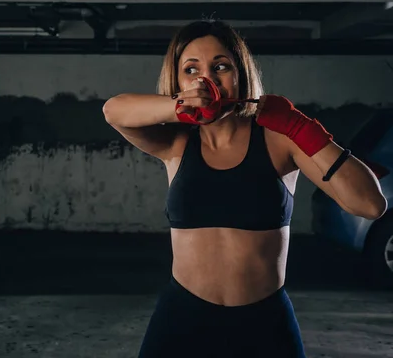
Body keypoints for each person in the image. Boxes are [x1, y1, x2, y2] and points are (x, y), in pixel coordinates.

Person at [102, 19, 387, 357]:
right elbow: (113, 110)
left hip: (264, 321)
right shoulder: (176, 142)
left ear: (240, 73)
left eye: (220, 66)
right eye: (191, 69)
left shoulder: (279, 140)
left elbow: (370, 205)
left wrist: (301, 128)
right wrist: (180, 107)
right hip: (183, 317)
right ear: (177, 80)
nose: (205, 79)